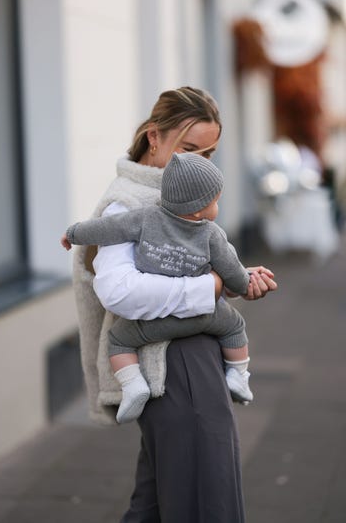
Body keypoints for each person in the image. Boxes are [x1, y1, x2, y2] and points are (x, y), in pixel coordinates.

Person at [71, 86, 277, 522]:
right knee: (206, 497)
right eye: (189, 148)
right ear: (153, 137)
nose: (199, 163)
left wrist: (239, 276)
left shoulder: (178, 197)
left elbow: (195, 259)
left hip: (189, 356)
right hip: (170, 363)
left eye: (209, 153)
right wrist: (211, 287)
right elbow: (119, 292)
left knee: (157, 501)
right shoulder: (128, 204)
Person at [62, 152, 261, 423]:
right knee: (236, 326)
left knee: (119, 339)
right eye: (216, 201)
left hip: (157, 322)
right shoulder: (212, 234)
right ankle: (238, 375)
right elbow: (233, 273)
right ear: (199, 208)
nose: (217, 207)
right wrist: (246, 283)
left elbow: (106, 229)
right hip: (207, 315)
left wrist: (73, 233)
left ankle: (133, 385)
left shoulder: (144, 218)